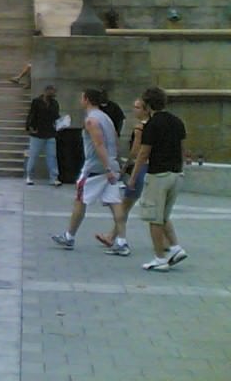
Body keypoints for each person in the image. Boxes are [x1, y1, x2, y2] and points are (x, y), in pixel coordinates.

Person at [51, 89, 128, 254]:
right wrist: (116, 163)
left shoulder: (91, 120)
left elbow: (98, 145)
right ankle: (122, 242)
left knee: (80, 200)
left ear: (86, 99)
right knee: (115, 203)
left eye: (81, 97)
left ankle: (69, 236)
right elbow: (115, 139)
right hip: (110, 166)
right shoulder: (107, 118)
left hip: (96, 168)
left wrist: (107, 167)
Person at [127, 87, 188, 272]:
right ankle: (176, 248)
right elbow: (182, 148)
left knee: (154, 218)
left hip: (158, 175)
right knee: (163, 216)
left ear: (147, 105)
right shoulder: (177, 121)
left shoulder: (152, 125)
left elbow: (143, 153)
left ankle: (159, 258)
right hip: (176, 174)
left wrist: (133, 177)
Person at [96, 98, 148, 249]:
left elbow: (135, 151)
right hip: (149, 168)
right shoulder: (151, 125)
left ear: (145, 109)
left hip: (139, 167)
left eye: (138, 107)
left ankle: (112, 237)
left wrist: (126, 166)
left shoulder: (140, 128)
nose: (134, 110)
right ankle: (112, 235)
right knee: (129, 204)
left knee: (125, 204)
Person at [24, 85, 61, 186]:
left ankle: (54, 177)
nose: (54, 94)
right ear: (47, 91)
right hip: (38, 132)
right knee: (33, 155)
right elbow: (32, 114)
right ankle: (29, 176)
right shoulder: (37, 102)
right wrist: (29, 127)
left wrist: (60, 123)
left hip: (50, 132)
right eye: (52, 92)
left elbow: (56, 116)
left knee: (52, 156)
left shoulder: (54, 103)